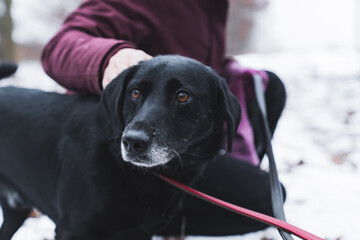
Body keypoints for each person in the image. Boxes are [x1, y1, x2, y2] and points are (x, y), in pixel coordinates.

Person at [41, 0, 286, 236]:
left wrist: (223, 70)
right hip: (106, 157)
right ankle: (133, 221)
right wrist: (113, 59)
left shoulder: (214, 5)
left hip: (178, 148)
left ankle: (155, 214)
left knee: (271, 88)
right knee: (263, 199)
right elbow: (60, 47)